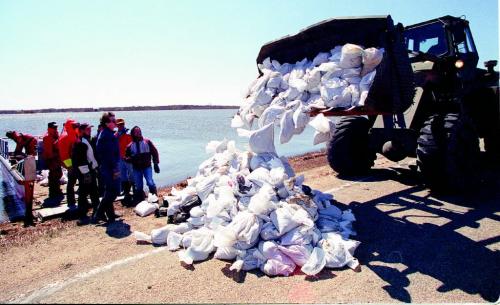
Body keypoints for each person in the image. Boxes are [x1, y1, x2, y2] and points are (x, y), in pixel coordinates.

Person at [94, 112, 120, 223]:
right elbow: (109, 155)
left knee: (109, 191)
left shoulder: (107, 133)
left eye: (115, 120)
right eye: (113, 121)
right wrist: (114, 169)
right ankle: (98, 214)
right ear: (106, 123)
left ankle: (110, 215)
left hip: (108, 167)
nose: (115, 122)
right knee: (113, 192)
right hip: (109, 168)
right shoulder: (106, 135)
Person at [72, 123, 100, 225]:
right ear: (82, 130)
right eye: (87, 129)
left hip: (90, 169)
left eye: (90, 129)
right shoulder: (80, 143)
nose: (90, 130)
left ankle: (97, 213)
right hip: (85, 171)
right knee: (84, 193)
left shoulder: (87, 140)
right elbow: (79, 160)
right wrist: (86, 172)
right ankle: (82, 215)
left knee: (93, 192)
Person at [125, 126, 160, 203]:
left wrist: (156, 164)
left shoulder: (147, 142)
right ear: (133, 134)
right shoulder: (130, 146)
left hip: (147, 167)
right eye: (136, 132)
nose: (138, 133)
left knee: (150, 182)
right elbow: (126, 157)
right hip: (136, 168)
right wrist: (132, 158)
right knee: (139, 185)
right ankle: (141, 200)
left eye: (139, 131)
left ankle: (154, 198)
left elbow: (154, 152)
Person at [57, 119, 80, 208]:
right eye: (74, 126)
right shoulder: (65, 137)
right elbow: (64, 154)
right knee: (71, 182)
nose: (76, 127)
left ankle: (78, 199)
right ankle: (71, 201)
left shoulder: (74, 135)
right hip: (71, 163)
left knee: (77, 181)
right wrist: (69, 166)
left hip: (77, 162)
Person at [41, 122, 63, 204]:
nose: (56, 129)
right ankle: (53, 192)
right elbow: (49, 152)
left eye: (56, 127)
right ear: (49, 128)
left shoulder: (54, 135)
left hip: (56, 158)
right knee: (53, 175)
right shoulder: (47, 137)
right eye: (54, 128)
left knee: (58, 174)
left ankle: (57, 189)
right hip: (51, 159)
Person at [115, 118, 134, 204]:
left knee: (132, 175)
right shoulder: (115, 135)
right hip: (120, 159)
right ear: (116, 125)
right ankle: (126, 192)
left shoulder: (129, 134)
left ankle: (135, 190)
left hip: (128, 159)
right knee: (123, 176)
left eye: (122, 124)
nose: (120, 126)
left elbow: (133, 146)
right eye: (119, 124)